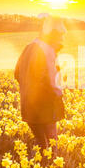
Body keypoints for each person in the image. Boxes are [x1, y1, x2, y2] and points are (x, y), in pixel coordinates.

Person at [14, 16, 66, 152]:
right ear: (52, 34)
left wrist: (28, 88)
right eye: (60, 35)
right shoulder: (46, 50)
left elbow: (17, 73)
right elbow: (51, 79)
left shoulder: (29, 47)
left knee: (42, 146)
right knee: (52, 144)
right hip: (45, 107)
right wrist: (58, 95)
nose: (62, 38)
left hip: (28, 107)